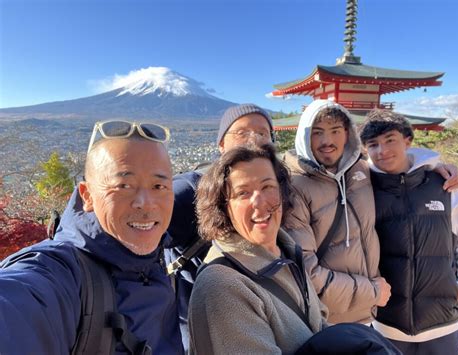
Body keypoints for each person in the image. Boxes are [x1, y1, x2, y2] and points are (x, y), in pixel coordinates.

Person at [0, 121, 183, 354]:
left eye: (159, 186)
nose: (145, 203)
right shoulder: (62, 273)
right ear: (87, 196)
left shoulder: (157, 260)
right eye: (124, 185)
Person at [284, 99, 458, 325]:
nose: (327, 141)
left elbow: (398, 168)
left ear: (348, 134)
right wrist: (371, 292)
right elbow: (304, 270)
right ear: (304, 136)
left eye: (336, 131)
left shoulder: (360, 171)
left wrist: (434, 169)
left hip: (371, 316)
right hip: (325, 319)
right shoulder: (293, 187)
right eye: (317, 132)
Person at [188, 144, 327, 354]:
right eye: (243, 193)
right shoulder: (223, 286)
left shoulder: (285, 250)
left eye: (267, 186)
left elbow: (317, 322)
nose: (259, 202)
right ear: (223, 207)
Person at [359, 109, 458, 354]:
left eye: (390, 140)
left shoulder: (443, 184)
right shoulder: (362, 188)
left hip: (442, 325)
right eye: (373, 144)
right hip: (386, 325)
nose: (382, 151)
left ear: (408, 140)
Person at [164, 103, 275, 348]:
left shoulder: (279, 190)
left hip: (267, 322)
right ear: (221, 145)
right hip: (204, 333)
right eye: (242, 133)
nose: (253, 140)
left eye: (263, 133)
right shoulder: (190, 191)